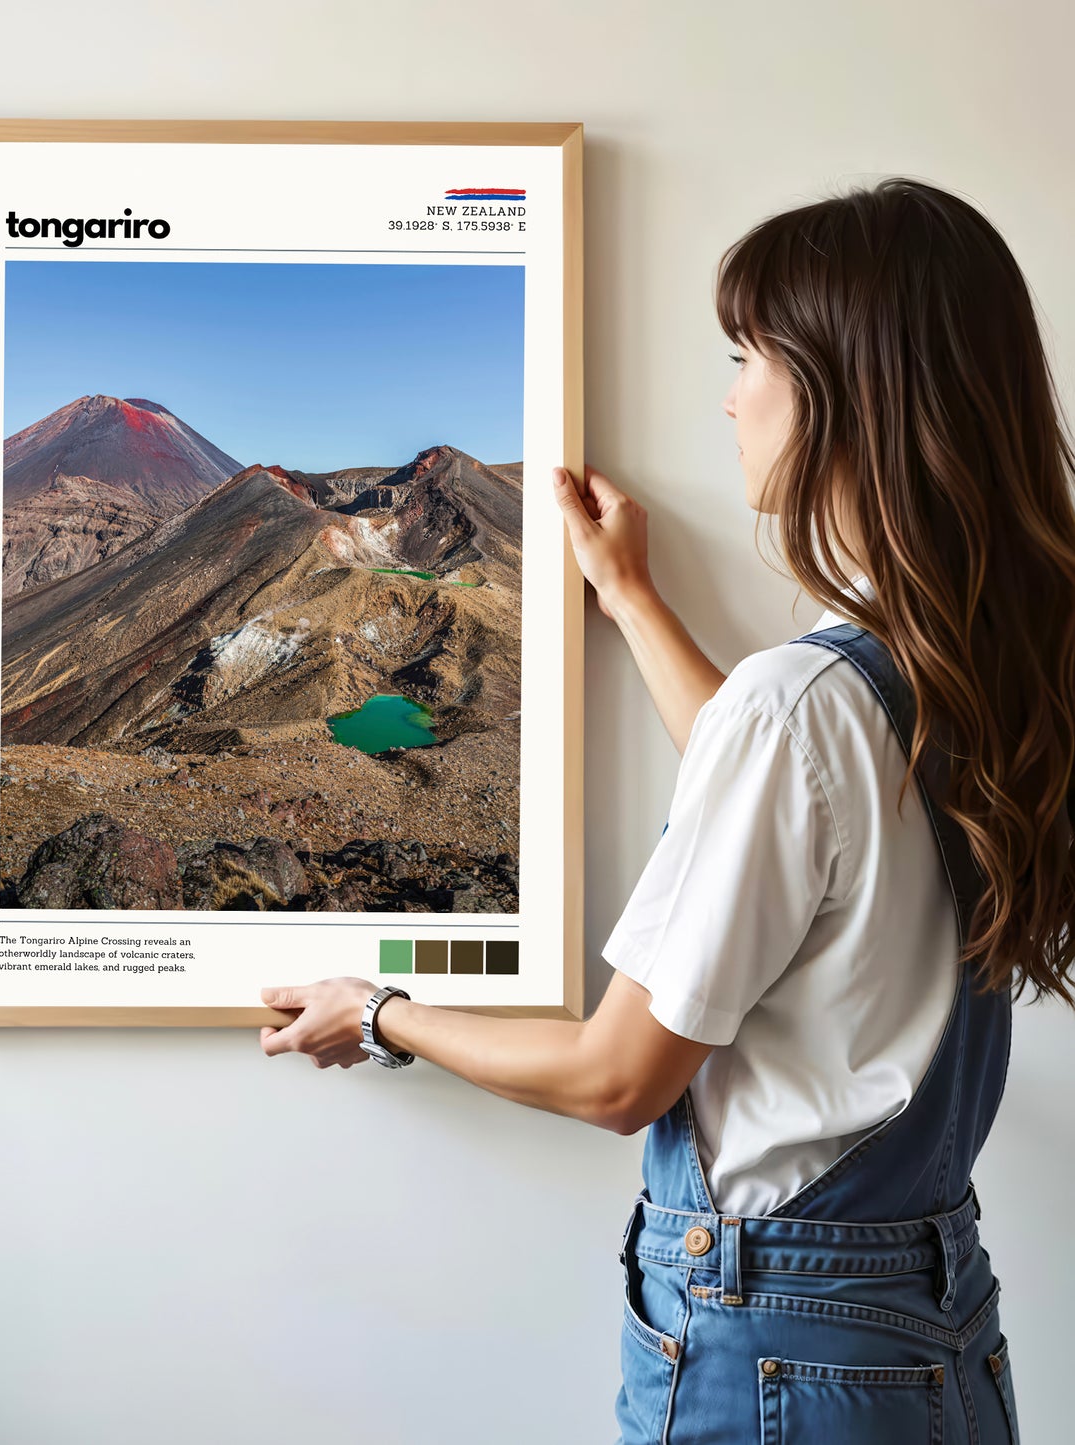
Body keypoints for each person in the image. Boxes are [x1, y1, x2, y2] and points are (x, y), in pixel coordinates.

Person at [258, 176, 1075, 1443]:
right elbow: (797, 822)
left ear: (843, 393)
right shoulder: (968, 664)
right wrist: (632, 597)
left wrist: (378, 1011)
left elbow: (614, 1075)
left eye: (748, 356)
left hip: (776, 1349)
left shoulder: (804, 702)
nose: (729, 393)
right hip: (925, 1327)